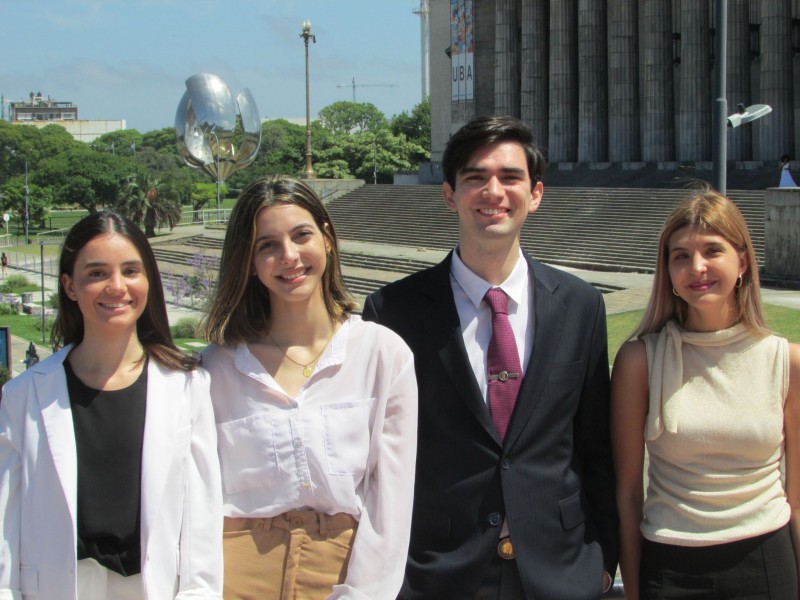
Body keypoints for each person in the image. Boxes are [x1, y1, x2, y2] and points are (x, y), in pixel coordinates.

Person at [363, 115, 619, 599]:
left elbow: (595, 447)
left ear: (537, 193)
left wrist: (604, 560)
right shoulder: (392, 310)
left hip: (561, 570)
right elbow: (378, 455)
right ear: (448, 194)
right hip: (439, 572)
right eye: (475, 178)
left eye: (510, 177)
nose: (493, 191)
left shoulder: (581, 305)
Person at [201, 175, 417, 599]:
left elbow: (390, 500)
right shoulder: (215, 368)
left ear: (328, 239)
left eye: (302, 236)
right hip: (236, 576)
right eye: (267, 245)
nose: (289, 256)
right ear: (248, 261)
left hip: (339, 573)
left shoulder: (381, 354)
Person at [0, 211, 223, 599]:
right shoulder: (24, 396)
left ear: (148, 280)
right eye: (97, 273)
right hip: (60, 587)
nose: (117, 287)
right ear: (69, 286)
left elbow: (201, 519)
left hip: (152, 588)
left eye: (131, 271)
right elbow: (6, 526)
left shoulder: (188, 387)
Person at [611, 188, 800, 599]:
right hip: (670, 566)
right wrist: (633, 591)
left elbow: (798, 497)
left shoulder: (787, 362)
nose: (697, 267)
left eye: (713, 251)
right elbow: (627, 494)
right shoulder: (639, 361)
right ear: (668, 270)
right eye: (681, 255)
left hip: (767, 562)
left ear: (743, 262)